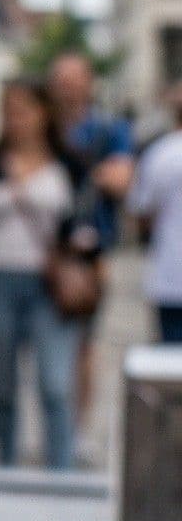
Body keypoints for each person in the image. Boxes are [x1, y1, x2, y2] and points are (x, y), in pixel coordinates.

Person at [0, 79, 82, 471]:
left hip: (49, 283)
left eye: (24, 110)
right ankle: (6, 464)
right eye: (9, 111)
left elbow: (83, 224)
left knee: (55, 384)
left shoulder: (67, 164)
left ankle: (61, 468)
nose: (15, 120)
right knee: (3, 385)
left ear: (43, 113)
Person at [47, 51, 134, 426]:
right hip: (45, 248)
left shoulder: (107, 130)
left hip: (87, 250)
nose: (65, 87)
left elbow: (121, 180)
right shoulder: (45, 128)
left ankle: (76, 425)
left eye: (72, 78)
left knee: (82, 342)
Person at [132, 83, 182, 342]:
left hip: (172, 276)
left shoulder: (159, 154)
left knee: (173, 369)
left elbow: (142, 214)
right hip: (171, 279)